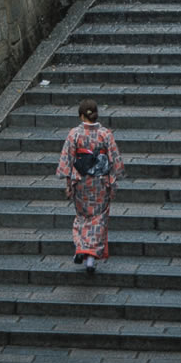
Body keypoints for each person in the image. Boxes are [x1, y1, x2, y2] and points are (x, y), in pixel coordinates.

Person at [56, 98, 124, 274]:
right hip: (100, 181)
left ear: (81, 116)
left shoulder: (74, 134)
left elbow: (67, 159)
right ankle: (91, 258)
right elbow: (114, 160)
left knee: (81, 216)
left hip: (81, 181)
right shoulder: (105, 134)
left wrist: (68, 183)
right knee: (98, 218)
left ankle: (81, 248)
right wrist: (114, 180)